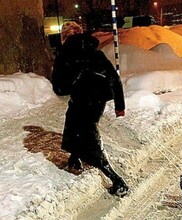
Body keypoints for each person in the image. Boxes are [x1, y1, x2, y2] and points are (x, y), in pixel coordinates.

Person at [51, 21, 128, 197]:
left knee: (87, 138)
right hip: (98, 101)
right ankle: (74, 158)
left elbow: (59, 87)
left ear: (64, 37)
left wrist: (68, 84)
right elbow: (114, 79)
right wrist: (119, 106)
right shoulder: (95, 52)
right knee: (72, 124)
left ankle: (116, 180)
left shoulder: (65, 54)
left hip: (82, 99)